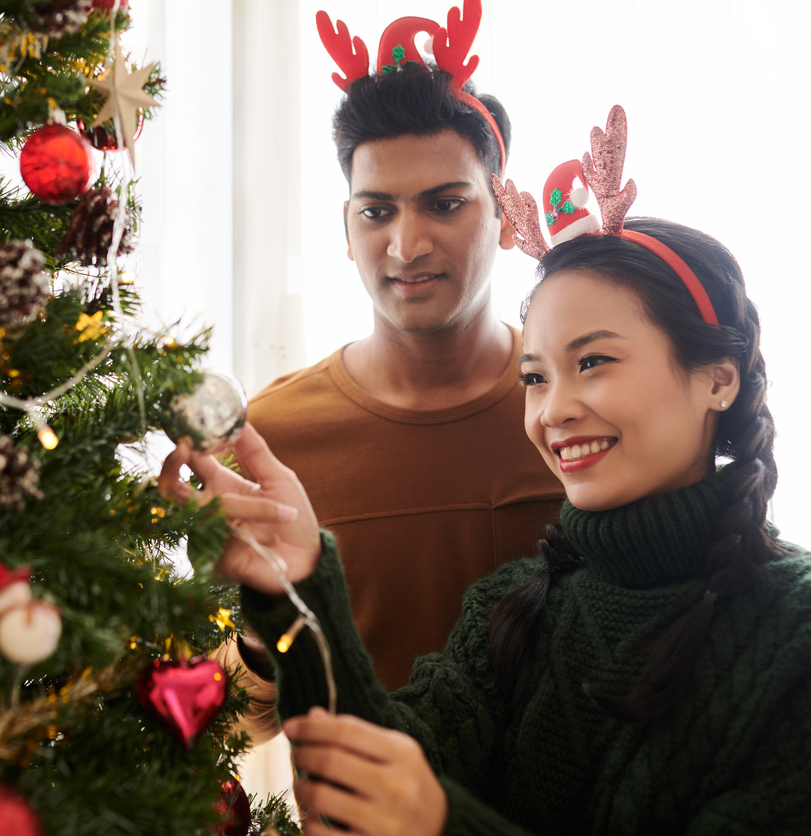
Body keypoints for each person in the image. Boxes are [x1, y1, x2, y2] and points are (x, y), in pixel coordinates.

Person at [162, 108, 811, 834]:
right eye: (535, 378)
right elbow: (376, 774)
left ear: (717, 379)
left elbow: (420, 809)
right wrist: (296, 585)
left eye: (594, 361)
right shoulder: (513, 614)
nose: (554, 411)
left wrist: (443, 824)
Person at [216, 3, 562, 715]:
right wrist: (263, 630)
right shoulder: (270, 439)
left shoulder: (577, 411)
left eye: (445, 205)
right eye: (377, 212)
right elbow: (233, 721)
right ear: (347, 231)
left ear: (504, 214)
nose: (407, 246)